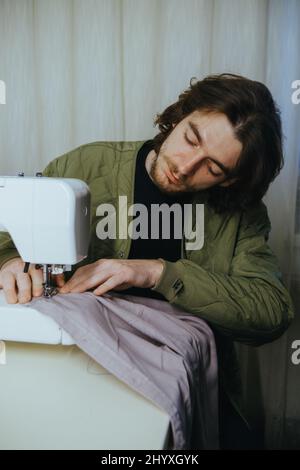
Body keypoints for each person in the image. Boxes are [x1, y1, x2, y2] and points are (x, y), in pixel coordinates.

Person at [0, 73, 294, 448]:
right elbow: (8, 237)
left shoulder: (242, 215)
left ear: (228, 183)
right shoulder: (89, 165)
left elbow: (271, 311)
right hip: (87, 368)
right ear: (179, 115)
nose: (186, 166)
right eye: (191, 138)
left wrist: (156, 272)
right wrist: (8, 259)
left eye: (213, 168)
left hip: (188, 380)